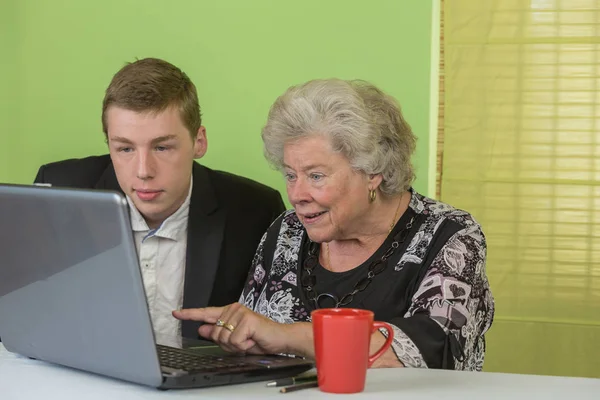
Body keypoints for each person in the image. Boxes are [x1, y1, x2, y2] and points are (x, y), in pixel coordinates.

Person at [174, 78, 494, 370]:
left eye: (316, 176)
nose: (297, 194)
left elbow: (427, 353)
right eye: (290, 175)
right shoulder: (287, 231)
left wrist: (286, 336)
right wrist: (236, 335)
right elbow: (256, 347)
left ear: (373, 171)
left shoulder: (450, 236)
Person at [33, 58, 285, 340]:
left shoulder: (256, 211)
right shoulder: (58, 191)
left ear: (198, 142)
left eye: (162, 147)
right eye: (125, 149)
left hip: (204, 383)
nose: (143, 171)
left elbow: (277, 331)